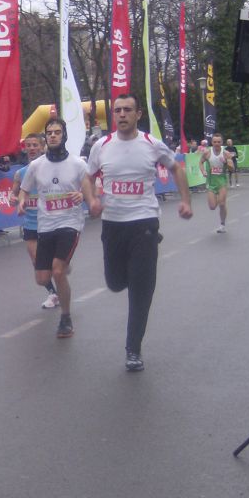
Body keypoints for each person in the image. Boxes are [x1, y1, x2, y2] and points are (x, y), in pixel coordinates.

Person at [86, 94, 193, 372]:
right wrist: (92, 200)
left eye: (127, 110)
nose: (121, 114)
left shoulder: (150, 144)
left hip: (144, 222)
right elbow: (87, 177)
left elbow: (177, 168)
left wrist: (185, 200)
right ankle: (124, 275)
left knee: (141, 291)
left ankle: (133, 349)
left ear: (138, 114)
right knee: (115, 282)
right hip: (113, 224)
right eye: (118, 110)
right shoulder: (102, 146)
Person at [18, 117, 97, 338]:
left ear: (64, 136)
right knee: (42, 278)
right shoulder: (36, 165)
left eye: (57, 132)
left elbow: (93, 189)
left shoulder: (78, 164)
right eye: (49, 132)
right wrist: (23, 200)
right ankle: (64, 266)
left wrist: (82, 195)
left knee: (58, 270)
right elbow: (24, 189)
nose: (53, 135)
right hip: (46, 224)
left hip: (70, 222)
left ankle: (65, 317)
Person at [9, 133, 59, 309]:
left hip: (50, 222)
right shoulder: (20, 173)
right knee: (38, 263)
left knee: (55, 263)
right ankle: (53, 293)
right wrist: (13, 200)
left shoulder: (51, 168)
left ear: (42, 147)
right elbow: (13, 194)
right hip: (30, 223)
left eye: (34, 145)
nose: (31, 148)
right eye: (28, 145)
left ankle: (60, 285)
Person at [198, 133, 232, 233]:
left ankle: (222, 224)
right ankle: (219, 198)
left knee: (221, 204)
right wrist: (203, 171)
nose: (216, 144)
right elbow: (200, 162)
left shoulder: (226, 153)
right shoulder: (207, 153)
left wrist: (226, 162)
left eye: (218, 142)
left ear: (221, 142)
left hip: (222, 182)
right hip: (211, 183)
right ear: (212, 142)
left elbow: (232, 168)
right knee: (212, 207)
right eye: (214, 142)